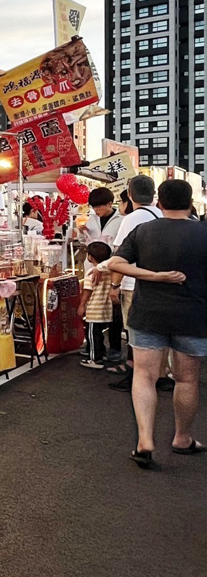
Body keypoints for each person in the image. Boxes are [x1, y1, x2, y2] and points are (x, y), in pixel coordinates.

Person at [105, 179, 206, 468]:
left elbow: (115, 264)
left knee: (144, 376)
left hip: (148, 314)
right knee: (187, 379)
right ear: (191, 203)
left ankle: (145, 441)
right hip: (193, 316)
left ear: (159, 202)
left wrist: (153, 276)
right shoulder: (203, 232)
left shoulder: (143, 230)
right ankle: (182, 438)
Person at [101, 175, 163, 390]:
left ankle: (134, 376)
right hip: (157, 283)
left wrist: (114, 286)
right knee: (155, 334)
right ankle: (158, 375)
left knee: (135, 334)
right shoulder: (160, 214)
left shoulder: (132, 219)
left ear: (129, 194)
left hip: (132, 284)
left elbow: (120, 257)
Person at [78, 242, 115, 369]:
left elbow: (87, 291)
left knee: (92, 335)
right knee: (99, 334)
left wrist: (82, 306)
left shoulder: (91, 273)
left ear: (90, 257)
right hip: (106, 308)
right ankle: (102, 352)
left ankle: (94, 359)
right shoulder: (110, 271)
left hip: (94, 309)